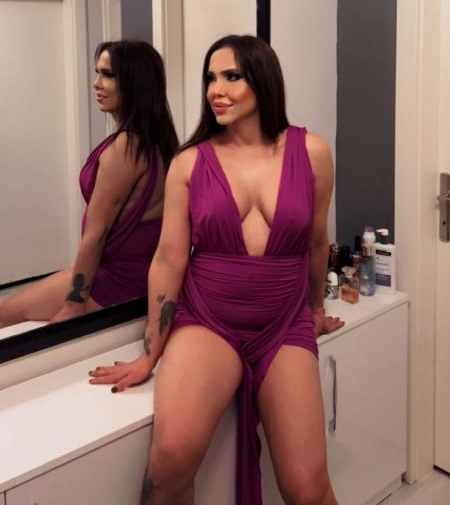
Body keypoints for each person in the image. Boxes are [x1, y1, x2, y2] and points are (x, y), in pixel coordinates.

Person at [89, 34, 344, 505]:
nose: (215, 90)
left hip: (283, 322)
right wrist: (150, 352)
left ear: (263, 80)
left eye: (231, 76)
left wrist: (315, 309)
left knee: (307, 487)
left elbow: (315, 241)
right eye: (210, 78)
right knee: (169, 461)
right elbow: (169, 260)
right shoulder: (190, 162)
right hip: (208, 320)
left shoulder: (312, 152)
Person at [0, 39, 178, 327]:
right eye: (97, 73)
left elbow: (96, 233)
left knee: (4, 314)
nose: (96, 83)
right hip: (141, 273)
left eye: (108, 75)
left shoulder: (126, 148)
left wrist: (73, 304)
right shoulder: (158, 140)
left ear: (135, 82)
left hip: (119, 278)